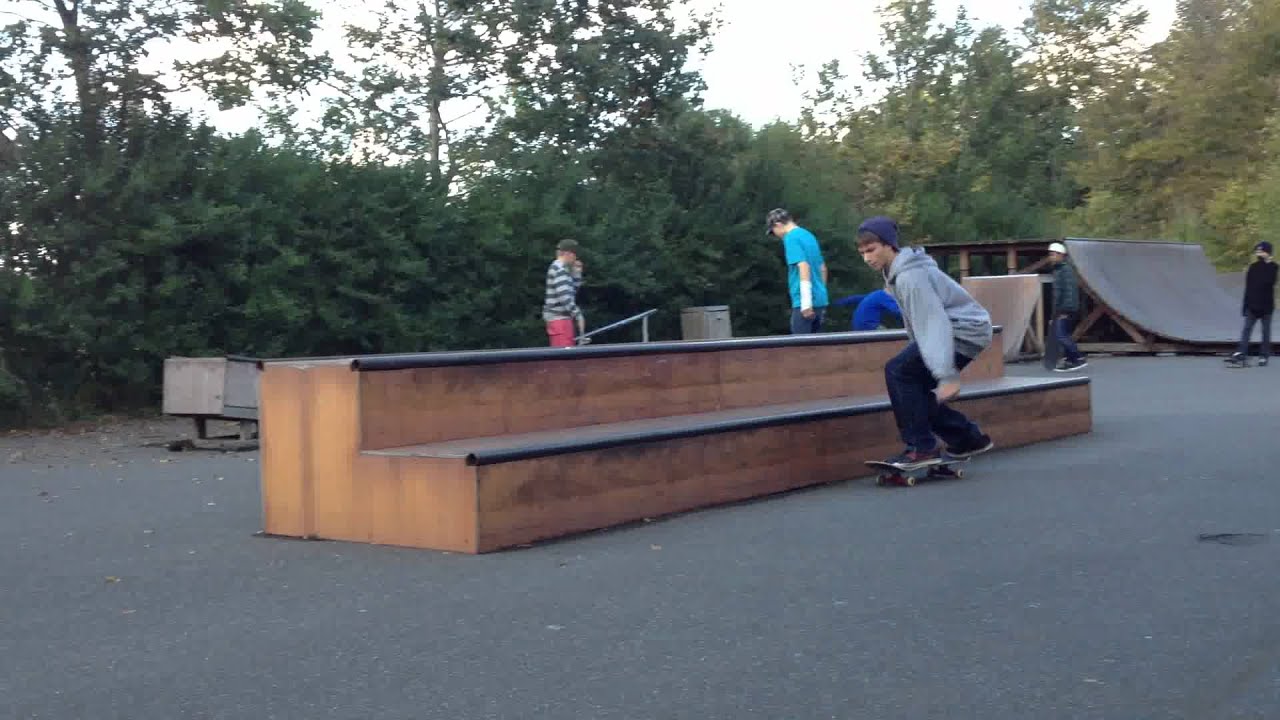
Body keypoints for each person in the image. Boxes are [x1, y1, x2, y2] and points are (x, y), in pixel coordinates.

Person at [855, 216, 994, 470]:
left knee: (898, 372)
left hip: (962, 331)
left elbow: (933, 323)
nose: (867, 258)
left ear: (889, 245)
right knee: (913, 390)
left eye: (872, 250)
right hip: (964, 329)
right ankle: (967, 439)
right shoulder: (898, 271)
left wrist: (946, 375)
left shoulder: (909, 276)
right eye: (862, 252)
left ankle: (921, 447)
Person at [765, 208, 829, 334]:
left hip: (804, 303)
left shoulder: (791, 238)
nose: (776, 235)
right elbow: (822, 268)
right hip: (820, 301)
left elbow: (804, 266)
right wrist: (821, 293)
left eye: (774, 231)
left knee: (799, 349)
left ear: (778, 225)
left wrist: (806, 303)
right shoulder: (808, 235)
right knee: (818, 348)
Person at [1226, 240, 1277, 367]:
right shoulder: (1253, 267)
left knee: (1266, 332)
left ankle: (1263, 356)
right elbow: (1248, 288)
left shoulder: (1274, 267)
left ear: (1267, 252)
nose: (1258, 253)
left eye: (1261, 251)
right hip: (1252, 305)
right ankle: (1241, 353)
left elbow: (1270, 281)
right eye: (1257, 251)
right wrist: (1245, 306)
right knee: (1246, 329)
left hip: (1266, 306)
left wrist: (1267, 261)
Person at [1048, 242, 1088, 372]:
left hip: (1066, 309)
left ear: (1061, 255)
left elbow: (1067, 292)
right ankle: (1070, 359)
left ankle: (1077, 358)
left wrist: (1062, 311)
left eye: (1053, 254)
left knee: (1061, 335)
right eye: (1050, 255)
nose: (1051, 257)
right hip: (1067, 308)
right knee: (1064, 334)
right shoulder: (1061, 269)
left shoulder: (1064, 270)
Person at [543, 238, 585, 348]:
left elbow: (570, 292)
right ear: (569, 254)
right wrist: (579, 316)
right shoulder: (560, 270)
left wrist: (576, 275)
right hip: (560, 321)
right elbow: (565, 298)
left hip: (560, 321)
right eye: (575, 255)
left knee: (563, 359)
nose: (576, 259)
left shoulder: (560, 268)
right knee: (564, 361)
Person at [833, 289, 902, 331]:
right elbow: (897, 311)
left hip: (856, 326)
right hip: (869, 326)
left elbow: (855, 298)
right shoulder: (883, 295)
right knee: (890, 336)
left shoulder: (874, 295)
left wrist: (840, 302)